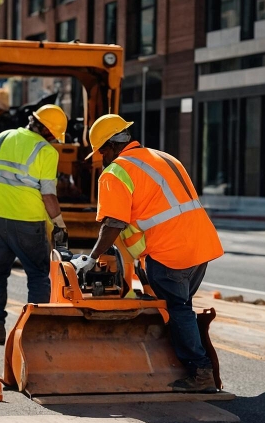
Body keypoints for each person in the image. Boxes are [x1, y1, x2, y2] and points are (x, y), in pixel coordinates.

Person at [74, 114, 224, 392]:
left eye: (101, 151)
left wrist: (92, 258)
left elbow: (114, 224)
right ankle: (189, 363)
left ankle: (200, 372)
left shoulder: (116, 171)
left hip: (170, 252)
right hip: (200, 245)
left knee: (178, 309)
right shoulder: (163, 157)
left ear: (109, 146)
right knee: (181, 307)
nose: (101, 158)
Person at [0, 104, 69, 344]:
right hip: (28, 222)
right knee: (38, 276)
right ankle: (35, 333)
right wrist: (59, 223)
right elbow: (48, 195)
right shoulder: (47, 152)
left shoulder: (2, 137)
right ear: (50, 132)